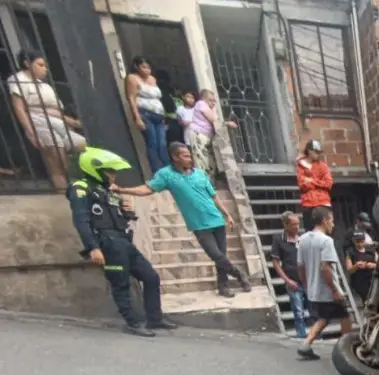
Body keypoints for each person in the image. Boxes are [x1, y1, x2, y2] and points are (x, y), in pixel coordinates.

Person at [113, 142, 251, 298]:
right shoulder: (166, 175)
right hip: (199, 225)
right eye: (185, 156)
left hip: (216, 220)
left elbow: (213, 196)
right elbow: (148, 189)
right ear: (174, 157)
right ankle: (239, 274)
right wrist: (122, 189)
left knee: (221, 255)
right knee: (216, 255)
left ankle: (223, 286)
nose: (190, 159)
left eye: (189, 155)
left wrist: (227, 214)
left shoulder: (199, 174)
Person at [67, 147, 176, 337]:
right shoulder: (80, 188)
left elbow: (120, 217)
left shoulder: (107, 191)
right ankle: (132, 323)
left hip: (123, 240)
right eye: (110, 171)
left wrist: (126, 210)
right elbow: (81, 220)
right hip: (107, 242)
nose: (114, 175)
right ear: (96, 169)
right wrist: (93, 248)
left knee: (151, 277)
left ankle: (155, 319)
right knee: (121, 283)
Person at [7, 49, 86, 189]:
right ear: (27, 63)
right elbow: (19, 108)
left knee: (82, 144)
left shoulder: (45, 85)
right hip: (39, 123)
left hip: (59, 123)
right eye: (40, 65)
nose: (45, 69)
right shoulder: (19, 80)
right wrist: (31, 132)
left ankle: (76, 185)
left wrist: (72, 122)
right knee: (56, 156)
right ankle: (63, 189)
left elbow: (57, 110)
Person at [296, 206, 347, 360]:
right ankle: (346, 352)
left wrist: (306, 284)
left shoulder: (303, 239)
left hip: (314, 289)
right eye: (331, 221)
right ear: (325, 221)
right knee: (346, 318)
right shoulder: (326, 241)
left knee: (324, 318)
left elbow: (300, 266)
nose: (333, 225)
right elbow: (325, 268)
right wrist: (335, 290)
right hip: (328, 289)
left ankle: (306, 344)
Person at [125, 56, 170, 174]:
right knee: (152, 143)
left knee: (162, 144)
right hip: (145, 114)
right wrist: (137, 117)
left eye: (148, 67)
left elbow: (157, 98)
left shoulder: (153, 79)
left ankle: (169, 171)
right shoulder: (132, 78)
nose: (147, 70)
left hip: (158, 114)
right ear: (137, 67)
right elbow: (131, 98)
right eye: (144, 67)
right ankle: (157, 173)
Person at [271, 211, 307, 338]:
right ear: (286, 225)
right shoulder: (279, 239)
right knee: (299, 313)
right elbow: (276, 263)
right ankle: (302, 339)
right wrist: (287, 280)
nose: (297, 227)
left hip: (307, 280)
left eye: (298, 224)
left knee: (315, 312)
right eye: (294, 224)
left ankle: (317, 339)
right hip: (293, 281)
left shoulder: (303, 238)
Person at [189, 89, 236, 178]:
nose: (213, 103)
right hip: (199, 134)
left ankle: (209, 182)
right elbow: (214, 119)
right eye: (210, 100)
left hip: (205, 136)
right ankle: (204, 183)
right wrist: (214, 109)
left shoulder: (206, 106)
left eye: (214, 101)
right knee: (202, 161)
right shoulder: (201, 104)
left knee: (209, 161)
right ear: (203, 99)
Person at [296, 140, 332, 231]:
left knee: (326, 230)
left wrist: (312, 181)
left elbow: (328, 183)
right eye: (316, 152)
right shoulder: (301, 166)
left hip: (323, 203)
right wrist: (319, 182)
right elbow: (302, 185)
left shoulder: (323, 166)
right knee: (310, 231)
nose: (318, 154)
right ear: (309, 151)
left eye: (319, 152)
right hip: (308, 204)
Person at [344, 228, 377, 305]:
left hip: (372, 280)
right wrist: (356, 265)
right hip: (359, 282)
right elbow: (349, 270)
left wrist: (373, 265)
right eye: (357, 242)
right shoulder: (350, 252)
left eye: (361, 241)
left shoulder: (371, 251)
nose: (360, 244)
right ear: (353, 241)